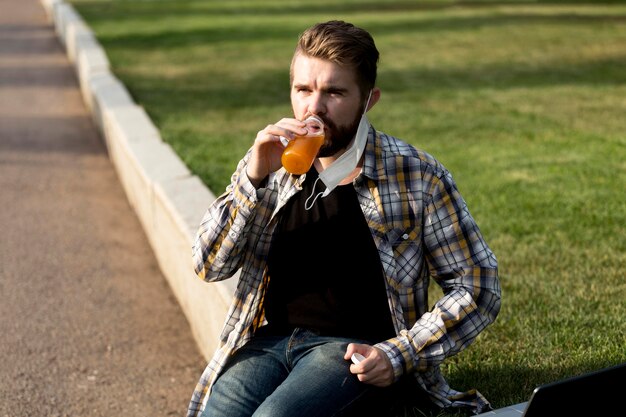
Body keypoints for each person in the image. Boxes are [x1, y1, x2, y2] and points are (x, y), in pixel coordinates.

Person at [188, 20, 501, 417]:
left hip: (350, 351)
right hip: (269, 343)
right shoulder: (269, 164)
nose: (313, 108)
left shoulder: (415, 175)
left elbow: (478, 286)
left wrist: (398, 354)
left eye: (334, 92)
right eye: (303, 90)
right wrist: (252, 180)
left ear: (369, 100)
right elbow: (208, 265)